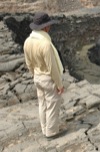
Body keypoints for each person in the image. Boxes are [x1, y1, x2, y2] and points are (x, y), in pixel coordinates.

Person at [23, 12, 66, 140]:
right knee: (52, 104)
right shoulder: (45, 44)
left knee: (42, 104)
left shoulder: (28, 41)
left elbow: (28, 63)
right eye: (49, 26)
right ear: (45, 27)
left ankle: (44, 128)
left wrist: (35, 75)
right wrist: (59, 85)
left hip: (37, 76)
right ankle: (51, 132)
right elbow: (52, 68)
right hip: (48, 79)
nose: (50, 28)